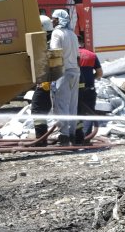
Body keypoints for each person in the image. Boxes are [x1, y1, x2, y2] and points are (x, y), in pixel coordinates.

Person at [49, 9, 80, 146]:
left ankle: (64, 136)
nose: (52, 20)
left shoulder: (57, 33)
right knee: (73, 105)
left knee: (61, 104)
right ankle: (72, 135)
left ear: (59, 19)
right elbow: (78, 57)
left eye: (54, 18)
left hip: (63, 72)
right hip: (75, 72)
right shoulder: (73, 34)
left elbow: (55, 54)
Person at [30, 14, 55, 143]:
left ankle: (41, 140)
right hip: (50, 83)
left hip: (46, 84)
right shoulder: (52, 41)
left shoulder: (48, 44)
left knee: (37, 109)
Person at [76, 43, 103, 145]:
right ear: (82, 43)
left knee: (76, 112)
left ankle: (77, 137)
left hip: (76, 90)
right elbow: (100, 73)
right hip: (89, 89)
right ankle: (86, 138)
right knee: (89, 113)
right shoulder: (91, 55)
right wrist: (91, 78)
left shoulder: (69, 54)